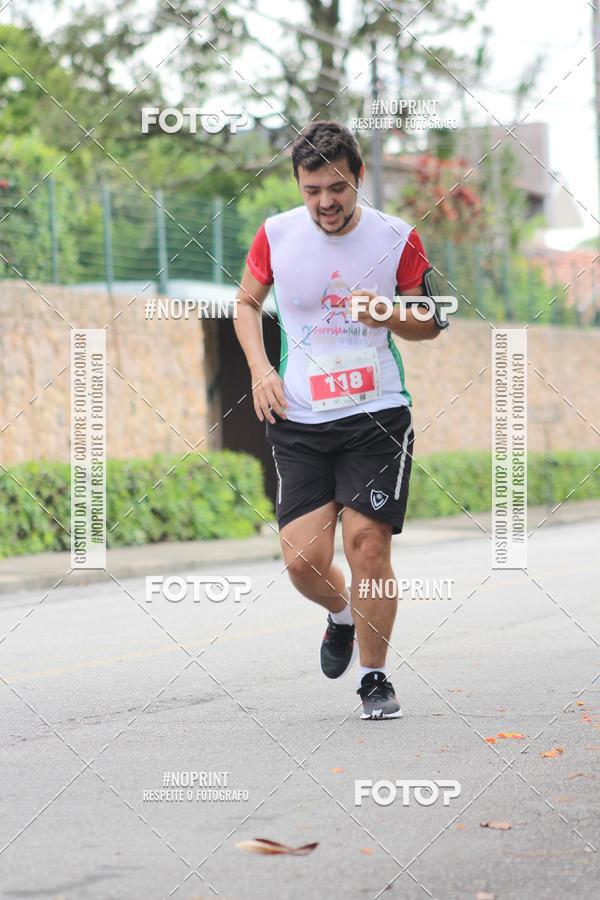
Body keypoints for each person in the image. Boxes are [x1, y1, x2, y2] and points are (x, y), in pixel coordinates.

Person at [233, 120, 446, 719]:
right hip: (299, 416)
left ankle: (374, 678)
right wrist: (260, 369)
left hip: (375, 415)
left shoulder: (396, 237)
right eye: (312, 190)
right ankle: (341, 614)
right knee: (302, 560)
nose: (325, 202)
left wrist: (387, 313)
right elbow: (246, 304)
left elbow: (431, 321)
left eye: (337, 188)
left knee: (367, 546)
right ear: (298, 185)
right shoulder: (276, 234)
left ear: (358, 178)